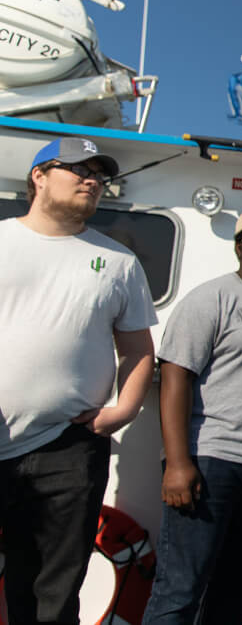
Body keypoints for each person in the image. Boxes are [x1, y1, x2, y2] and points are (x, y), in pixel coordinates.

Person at [0, 137, 157, 623]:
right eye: (76, 169)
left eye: (98, 173)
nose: (91, 179)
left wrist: (123, 411)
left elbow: (137, 350)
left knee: (54, 590)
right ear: (38, 176)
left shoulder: (118, 262)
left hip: (70, 444)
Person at [142, 206, 242, 624]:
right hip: (211, 461)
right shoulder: (211, 297)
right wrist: (176, 463)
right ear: (239, 245)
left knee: (235, 587)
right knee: (181, 587)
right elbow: (175, 377)